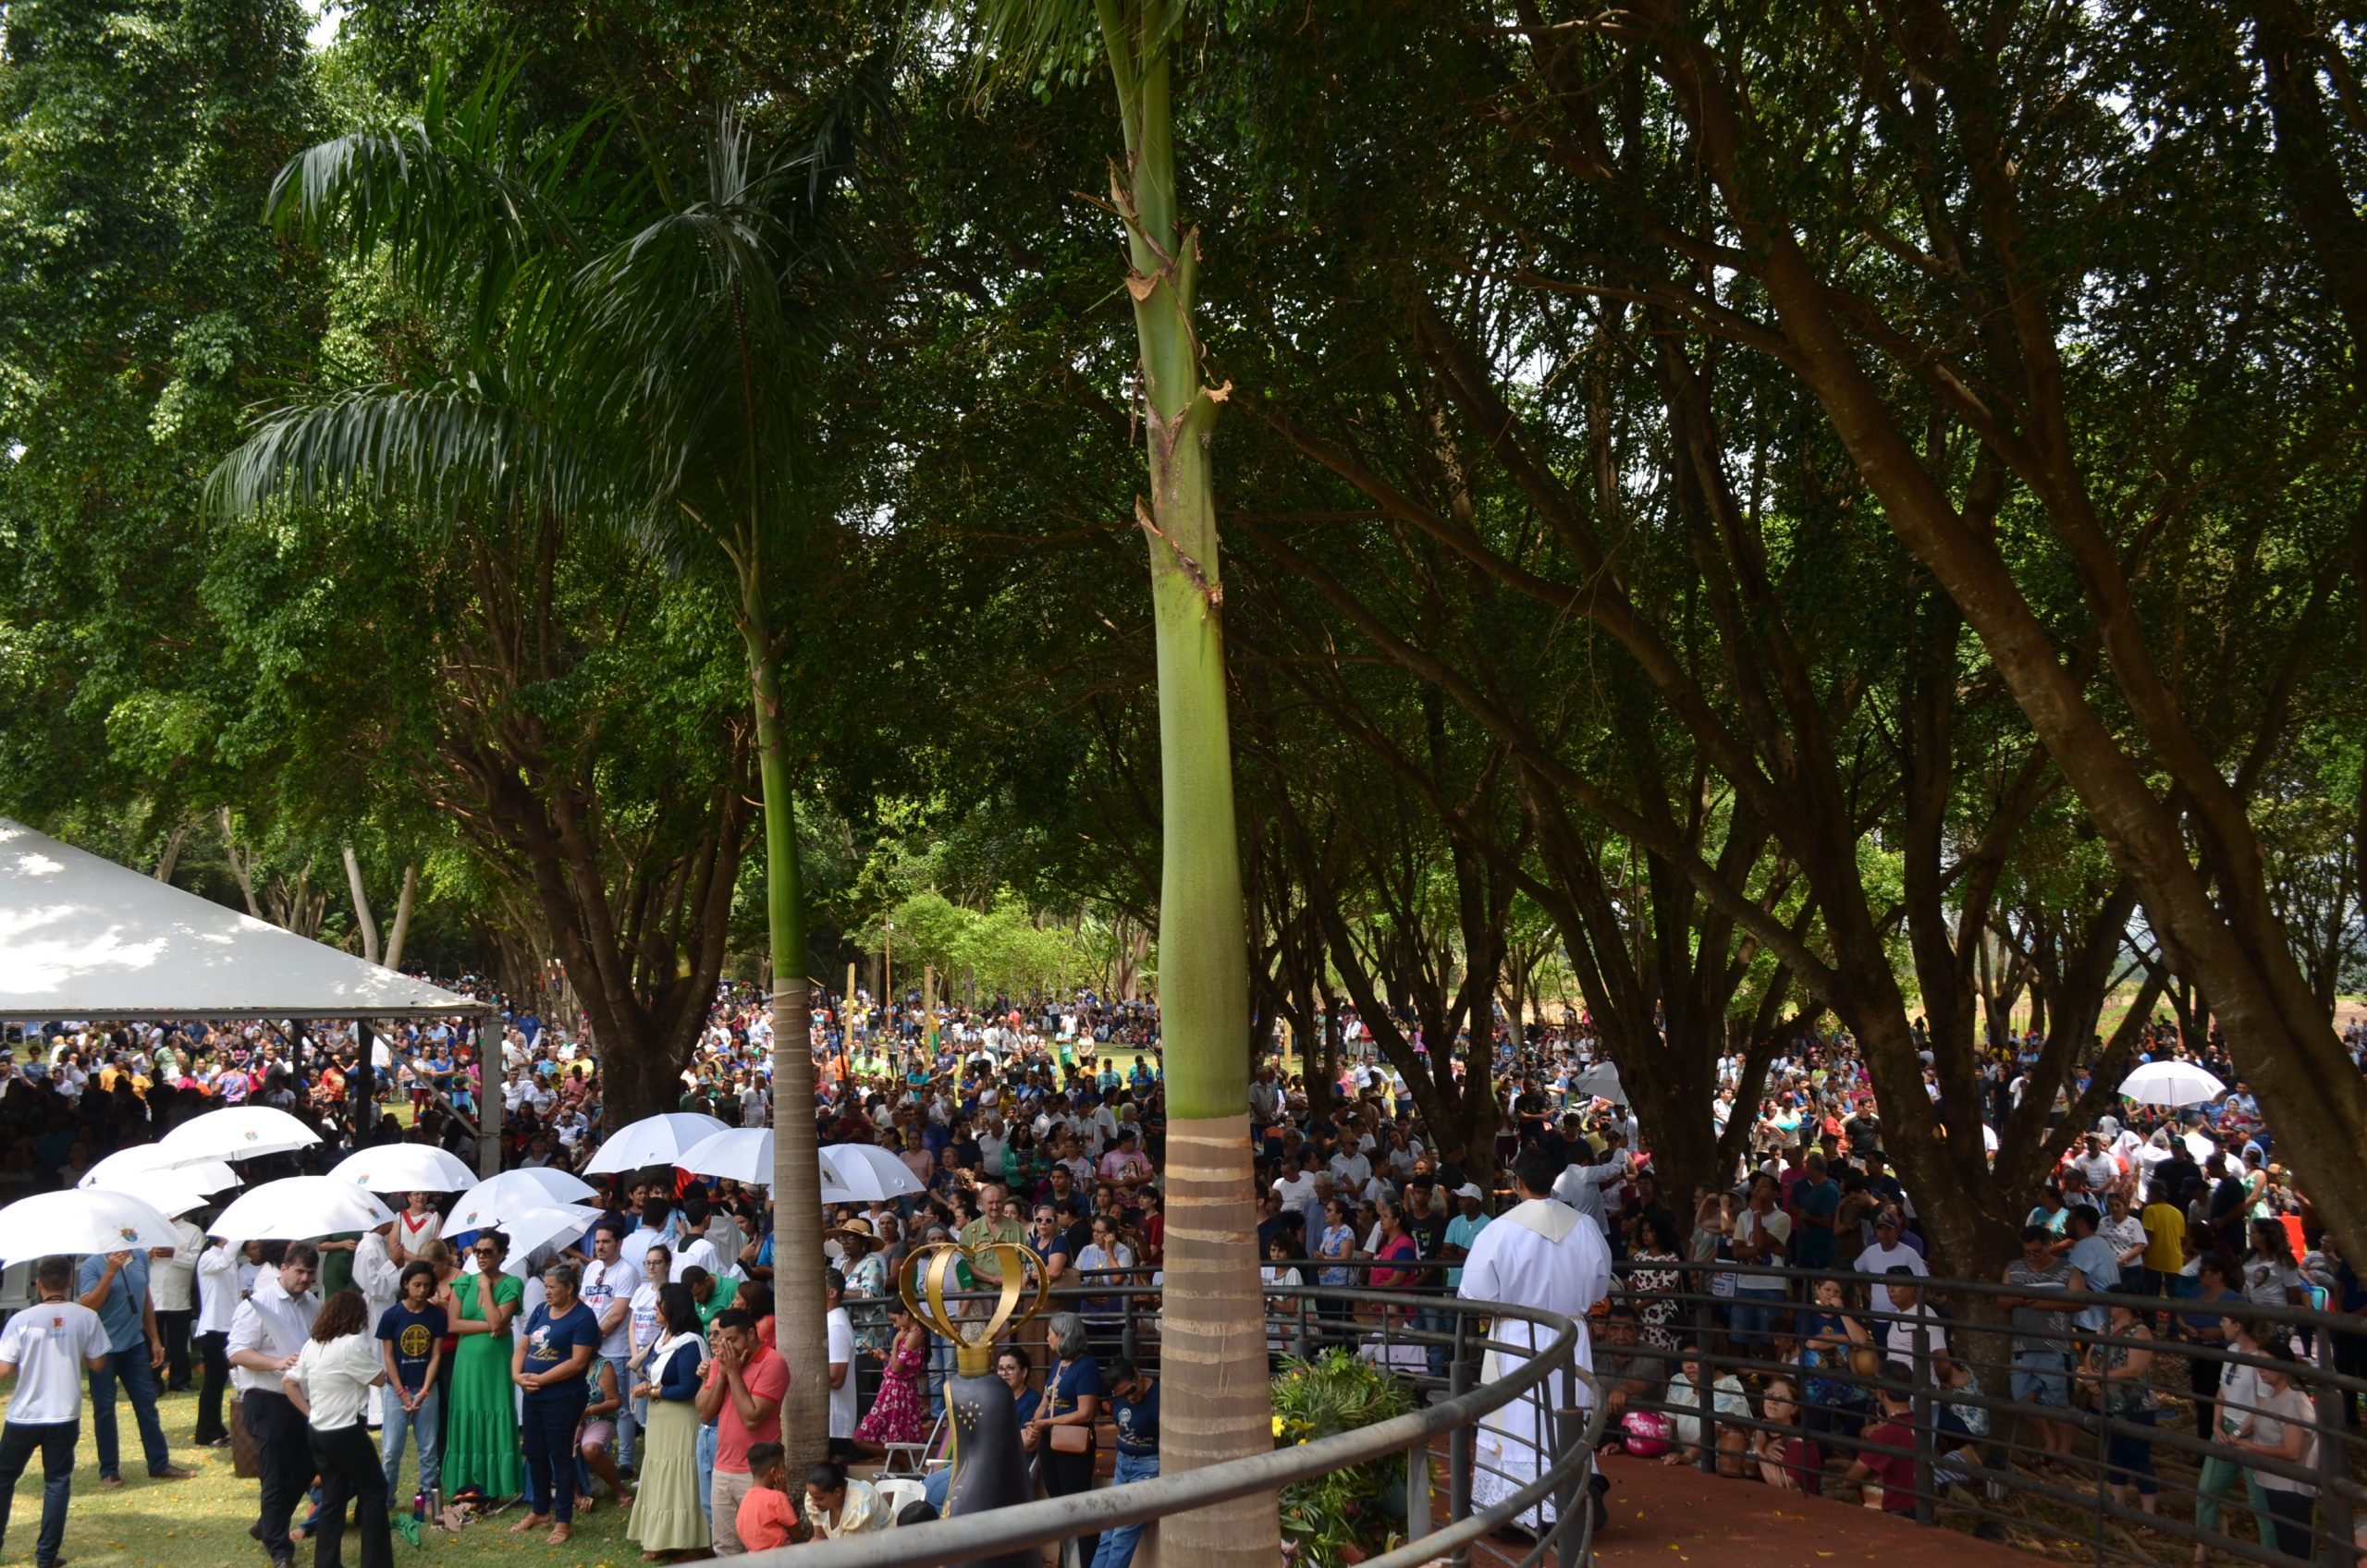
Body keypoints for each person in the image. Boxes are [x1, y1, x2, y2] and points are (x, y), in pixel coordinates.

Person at [1456, 1142, 1612, 1534]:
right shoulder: (1586, 1227)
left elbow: (1475, 1293)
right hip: (1569, 1336)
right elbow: (1597, 1290)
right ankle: (1571, 1502)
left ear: (1518, 1181)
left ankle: (1516, 1512)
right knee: (1564, 1418)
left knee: (1522, 1422)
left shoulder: (1500, 1231)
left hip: (1517, 1337)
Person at [0, 1256, 114, 1568]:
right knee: (57, 1482)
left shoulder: (21, 1320)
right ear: (70, 1281)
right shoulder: (86, 1316)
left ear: (38, 1284)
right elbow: (99, 1363)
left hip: (24, 1414)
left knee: (4, 1480)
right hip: (64, 1412)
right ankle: (46, 1556)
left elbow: (5, 1369)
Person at [229, 1241, 323, 1568]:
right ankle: (281, 1551)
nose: (305, 1279)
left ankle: (268, 1524)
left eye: (310, 1273)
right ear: (284, 1269)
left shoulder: (312, 1303)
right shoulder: (258, 1303)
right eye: (299, 1271)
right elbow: (237, 1352)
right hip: (266, 1397)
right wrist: (278, 1362)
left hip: (301, 1398)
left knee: (310, 1464)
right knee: (276, 1473)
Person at [285, 1289, 393, 1568]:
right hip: (345, 1430)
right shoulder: (352, 1344)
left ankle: (327, 1563)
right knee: (374, 1489)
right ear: (356, 1317)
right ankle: (376, 1562)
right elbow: (379, 1379)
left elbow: (289, 1382)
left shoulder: (313, 1344)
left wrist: (310, 1414)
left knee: (333, 1496)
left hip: (318, 1431)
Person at [75, 1242, 193, 1487]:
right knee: (105, 1409)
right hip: (102, 1349)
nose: (128, 1238)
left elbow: (145, 1300)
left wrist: (155, 1339)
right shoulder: (93, 1265)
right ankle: (109, 1470)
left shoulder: (140, 1257)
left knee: (147, 1404)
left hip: (134, 1345)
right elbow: (88, 1306)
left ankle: (159, 1464)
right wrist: (109, 1273)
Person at [511, 1259, 602, 1542]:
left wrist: (540, 1379)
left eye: (552, 1287)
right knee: (535, 1452)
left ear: (569, 1288)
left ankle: (563, 1520)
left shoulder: (583, 1317)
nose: (547, 1292)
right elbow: (524, 1346)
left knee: (560, 1457)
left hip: (563, 1397)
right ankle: (540, 1510)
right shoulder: (541, 1310)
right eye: (546, 1286)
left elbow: (578, 1363)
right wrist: (517, 1375)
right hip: (533, 1395)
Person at [626, 1282, 710, 1562]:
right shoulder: (663, 1337)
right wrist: (645, 1386)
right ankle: (661, 1538)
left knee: (681, 1475)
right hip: (660, 1417)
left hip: (681, 1417)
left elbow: (688, 1387)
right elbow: (654, 1372)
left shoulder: (691, 1342)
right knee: (660, 1474)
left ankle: (693, 1543)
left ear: (672, 1306)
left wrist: (651, 1391)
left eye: (658, 1302)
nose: (653, 1307)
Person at [695, 1306, 788, 1555]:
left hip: (757, 1472)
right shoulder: (722, 1362)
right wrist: (722, 1374)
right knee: (725, 1547)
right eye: (722, 1340)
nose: (727, 1347)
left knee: (763, 1547)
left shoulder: (773, 1363)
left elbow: (752, 1418)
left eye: (733, 1340)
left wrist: (733, 1373)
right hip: (723, 1466)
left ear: (751, 1333)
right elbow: (704, 1413)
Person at [443, 1229, 523, 1501]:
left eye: (488, 1251)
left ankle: (494, 1483)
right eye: (478, 1251)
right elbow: (453, 1324)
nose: (481, 1256)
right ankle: (466, 1482)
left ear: (501, 1254)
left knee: (494, 1410)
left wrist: (487, 1289)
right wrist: (490, 1325)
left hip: (495, 1362)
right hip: (466, 1362)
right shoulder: (463, 1283)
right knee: (467, 1411)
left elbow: (500, 1322)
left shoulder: (512, 1284)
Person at [2000, 1224, 2081, 1463]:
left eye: (2037, 1252)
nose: (2032, 1257)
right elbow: (2001, 1300)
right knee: (2022, 1397)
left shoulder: (2067, 1270)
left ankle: (2063, 1451)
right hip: (2023, 1345)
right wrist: (2018, 1298)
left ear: (2049, 1246)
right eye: (2028, 1252)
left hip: (2056, 1346)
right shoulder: (2013, 1269)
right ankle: (2049, 1441)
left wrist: (2048, 1303)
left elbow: (2082, 1301)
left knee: (2061, 1402)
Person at [2232, 1340, 2320, 1560]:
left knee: (2295, 1548)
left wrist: (2252, 1447)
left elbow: (2293, 1452)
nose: (2260, 1368)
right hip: (2277, 1484)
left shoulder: (2292, 1401)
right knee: (2287, 1544)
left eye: (2266, 1363)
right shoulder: (2274, 1395)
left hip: (2291, 1488)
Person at [1029, 1312, 1104, 1568]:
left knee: (1077, 1503)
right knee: (1060, 1501)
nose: (1047, 1337)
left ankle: (1085, 1560)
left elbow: (1086, 1412)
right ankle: (1066, 1559)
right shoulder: (1058, 1363)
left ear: (1062, 1336)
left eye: (1051, 1332)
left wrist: (1047, 1423)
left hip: (1072, 1443)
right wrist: (1034, 1424)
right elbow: (1045, 1401)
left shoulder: (1087, 1366)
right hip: (1050, 1441)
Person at [2078, 1297, 2160, 1522]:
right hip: (2107, 1403)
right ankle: (2116, 1507)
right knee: (2114, 1456)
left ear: (2123, 1304)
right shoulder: (2105, 1327)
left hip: (2135, 1405)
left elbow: (2135, 1369)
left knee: (2138, 1458)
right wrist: (2090, 1377)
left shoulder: (2141, 1333)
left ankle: (2148, 1517)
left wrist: (2101, 1376)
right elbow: (2091, 1352)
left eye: (2111, 1303)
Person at [375, 1262, 445, 1505]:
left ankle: (427, 1498)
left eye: (427, 1285)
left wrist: (425, 1390)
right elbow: (388, 1357)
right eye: (417, 1284)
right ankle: (385, 1499)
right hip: (397, 1390)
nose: (422, 1290)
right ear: (406, 1284)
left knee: (428, 1448)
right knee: (391, 1450)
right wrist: (401, 1392)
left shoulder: (436, 1315)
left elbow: (436, 1355)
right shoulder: (391, 1316)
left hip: (426, 1389)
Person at [580, 1220, 643, 1475]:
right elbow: (583, 1304)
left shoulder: (626, 1271)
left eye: (606, 1242)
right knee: (591, 1401)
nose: (600, 1247)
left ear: (619, 1243)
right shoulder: (592, 1268)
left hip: (614, 1347)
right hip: (589, 1347)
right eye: (597, 1242)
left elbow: (618, 1314)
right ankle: (599, 1455)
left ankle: (626, 1461)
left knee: (620, 1407)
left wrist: (591, 1338)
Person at [1090, 1355, 1159, 1568]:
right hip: (1123, 1464)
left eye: (1131, 1391)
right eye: (1121, 1395)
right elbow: (1121, 1422)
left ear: (1137, 1374)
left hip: (1148, 1467)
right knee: (1108, 1534)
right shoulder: (1120, 1397)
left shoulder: (1158, 1396)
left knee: (1122, 1536)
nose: (1129, 1398)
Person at [853, 1300, 926, 1455]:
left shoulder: (914, 1335)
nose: (894, 1326)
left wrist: (895, 1342)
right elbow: (899, 1364)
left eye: (895, 1320)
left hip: (898, 1392)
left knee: (863, 1437)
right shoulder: (910, 1333)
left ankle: (900, 1459)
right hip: (896, 1390)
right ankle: (899, 1459)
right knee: (891, 1434)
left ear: (906, 1315)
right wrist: (886, 1357)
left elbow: (897, 1368)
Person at [1844, 1371, 1919, 1514]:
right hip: (1914, 1505)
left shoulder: (1886, 1433)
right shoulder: (1918, 1424)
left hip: (1891, 1510)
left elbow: (1850, 1480)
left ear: (1881, 1392)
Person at [195, 1232, 243, 1446]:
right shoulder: (209, 1257)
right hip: (213, 1328)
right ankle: (207, 1433)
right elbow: (222, 1263)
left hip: (226, 1326)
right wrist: (238, 1237)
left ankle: (215, 1428)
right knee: (213, 1382)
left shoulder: (227, 1259)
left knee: (219, 1380)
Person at [574, 1356, 632, 1513]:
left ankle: (619, 1490)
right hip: (570, 1420)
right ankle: (576, 1496)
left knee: (591, 1449)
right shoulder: (565, 1362)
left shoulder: (603, 1366)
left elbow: (614, 1401)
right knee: (558, 1443)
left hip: (599, 1417)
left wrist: (588, 1411)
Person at [1748, 1377, 1821, 1494]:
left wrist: (1759, 1450)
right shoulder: (1756, 1426)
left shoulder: (1801, 1442)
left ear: (1794, 1408)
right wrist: (1765, 1450)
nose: (1773, 1401)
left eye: (1781, 1399)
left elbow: (1782, 1484)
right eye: (1770, 1394)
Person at [733, 1442, 803, 1551]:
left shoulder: (745, 1500)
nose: (785, 1471)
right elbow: (797, 1533)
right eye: (783, 1466)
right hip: (780, 1558)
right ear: (774, 1472)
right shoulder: (777, 1498)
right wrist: (784, 1494)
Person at [803, 1458, 889, 1538]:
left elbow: (852, 1550)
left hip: (883, 1547)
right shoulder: (816, 1496)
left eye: (819, 1499)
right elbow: (820, 1538)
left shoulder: (859, 1505)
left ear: (837, 1493)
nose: (813, 1502)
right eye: (812, 1497)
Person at [824, 1268, 857, 1459]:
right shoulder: (830, 1321)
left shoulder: (835, 1324)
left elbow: (836, 1379)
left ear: (832, 1293)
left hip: (834, 1424)